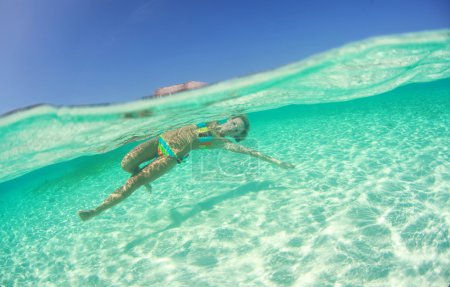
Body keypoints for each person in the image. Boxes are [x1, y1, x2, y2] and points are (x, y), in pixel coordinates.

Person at [77, 115, 295, 221]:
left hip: (170, 157)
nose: (231, 125)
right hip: (158, 141)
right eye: (233, 121)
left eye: (236, 128)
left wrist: (276, 162)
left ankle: (95, 211)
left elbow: (251, 153)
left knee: (132, 184)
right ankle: (142, 177)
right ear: (228, 118)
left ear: (236, 135)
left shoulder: (221, 141)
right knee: (126, 165)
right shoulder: (208, 119)